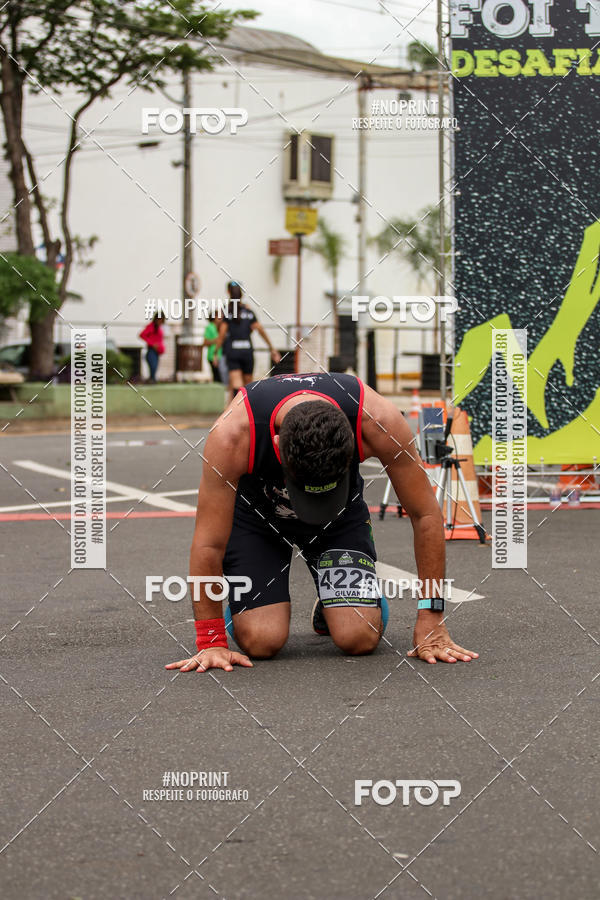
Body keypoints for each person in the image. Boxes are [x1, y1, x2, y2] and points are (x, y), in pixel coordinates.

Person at [166, 372, 478, 675]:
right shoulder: (232, 435)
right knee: (262, 641)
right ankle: (255, 605)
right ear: (276, 445)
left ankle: (335, 604)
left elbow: (425, 514)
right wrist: (211, 640)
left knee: (359, 637)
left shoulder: (377, 421)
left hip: (338, 516)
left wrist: (432, 616)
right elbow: (208, 542)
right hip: (259, 518)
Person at [217, 281, 281, 402]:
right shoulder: (249, 312)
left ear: (228, 293)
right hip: (247, 351)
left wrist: (216, 352)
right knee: (247, 386)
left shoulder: (227, 312)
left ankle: (234, 412)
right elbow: (260, 330)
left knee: (236, 383)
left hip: (233, 351)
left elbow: (221, 334)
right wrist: (271, 348)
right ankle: (247, 412)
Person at [139, 314, 165, 383]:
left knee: (155, 368)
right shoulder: (151, 326)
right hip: (151, 351)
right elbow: (142, 335)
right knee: (153, 368)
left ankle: (152, 381)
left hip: (157, 352)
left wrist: (161, 348)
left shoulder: (159, 328)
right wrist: (152, 344)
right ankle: (151, 381)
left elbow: (160, 340)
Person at [203, 314, 224, 383]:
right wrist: (217, 340)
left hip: (222, 355)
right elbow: (205, 342)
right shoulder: (210, 327)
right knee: (217, 378)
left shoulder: (223, 326)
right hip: (213, 355)